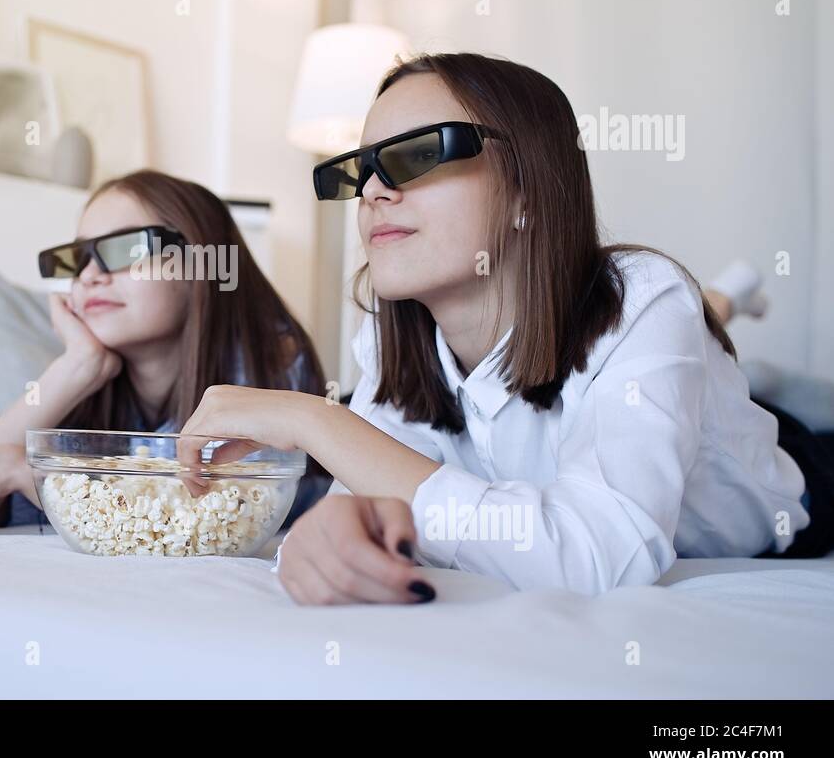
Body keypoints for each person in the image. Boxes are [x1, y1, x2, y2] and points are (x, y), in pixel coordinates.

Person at [177, 52, 832, 603]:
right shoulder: (389, 336)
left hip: (797, 484)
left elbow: (604, 556)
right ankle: (726, 306)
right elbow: (382, 504)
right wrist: (327, 539)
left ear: (527, 191)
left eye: (416, 155)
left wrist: (316, 421)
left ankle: (725, 303)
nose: (374, 191)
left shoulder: (646, 297)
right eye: (363, 170)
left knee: (719, 338)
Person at [0, 169, 330, 537]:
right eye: (79, 258)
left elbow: (193, 513)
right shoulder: (99, 387)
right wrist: (74, 367)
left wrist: (15, 467)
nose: (88, 275)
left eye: (125, 248)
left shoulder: (273, 362)